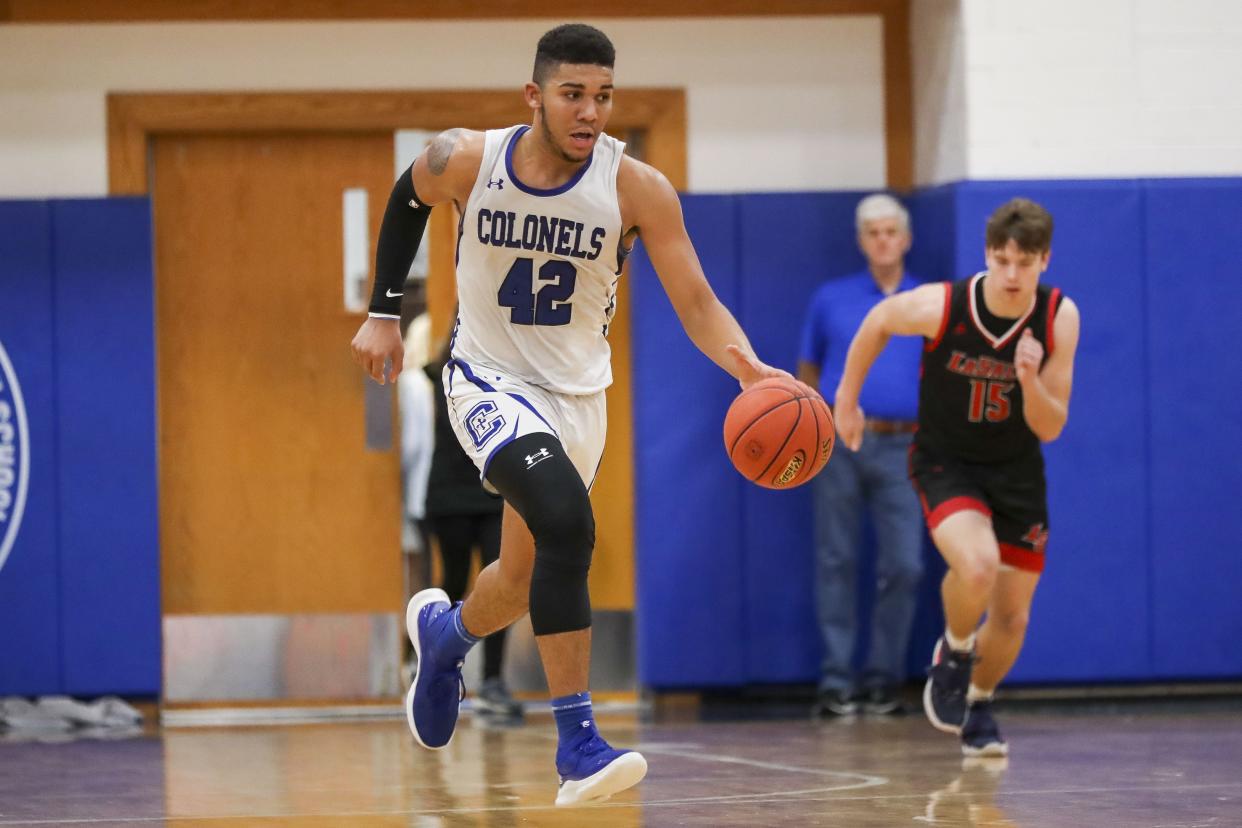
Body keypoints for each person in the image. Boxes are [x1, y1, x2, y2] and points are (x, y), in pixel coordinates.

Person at [350, 23, 788, 806]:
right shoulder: (468, 158)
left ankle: (445, 641)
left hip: (578, 398)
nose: (591, 112)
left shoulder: (636, 187)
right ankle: (577, 744)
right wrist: (384, 310)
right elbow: (406, 195)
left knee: (518, 581)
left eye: (604, 96)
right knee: (567, 525)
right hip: (486, 379)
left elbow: (695, 299)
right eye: (574, 94)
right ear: (535, 96)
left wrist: (746, 365)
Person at [833, 198, 1080, 756]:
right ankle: (956, 646)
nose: (1012, 275)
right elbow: (877, 320)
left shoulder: (1059, 316)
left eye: (1025, 262)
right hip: (947, 460)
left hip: (1017, 469)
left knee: (1014, 615)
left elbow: (1051, 426)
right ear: (988, 255)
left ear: (1045, 260)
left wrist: (1029, 380)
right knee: (977, 565)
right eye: (1002, 260)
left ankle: (979, 702)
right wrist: (847, 398)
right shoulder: (946, 305)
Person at [798, 194, 925, 718]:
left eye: (890, 231)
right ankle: (835, 680)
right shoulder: (832, 298)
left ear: (906, 238)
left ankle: (882, 678)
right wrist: (813, 425)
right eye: (872, 232)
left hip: (906, 445)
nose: (882, 240)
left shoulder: (928, 298)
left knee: (906, 564)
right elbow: (808, 368)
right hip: (840, 443)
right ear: (860, 241)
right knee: (836, 558)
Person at [422, 336, 522, 723]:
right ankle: (425, 655)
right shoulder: (438, 374)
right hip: (448, 495)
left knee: (504, 583)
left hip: (495, 494)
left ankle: (493, 681)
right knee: (454, 579)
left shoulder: (508, 376)